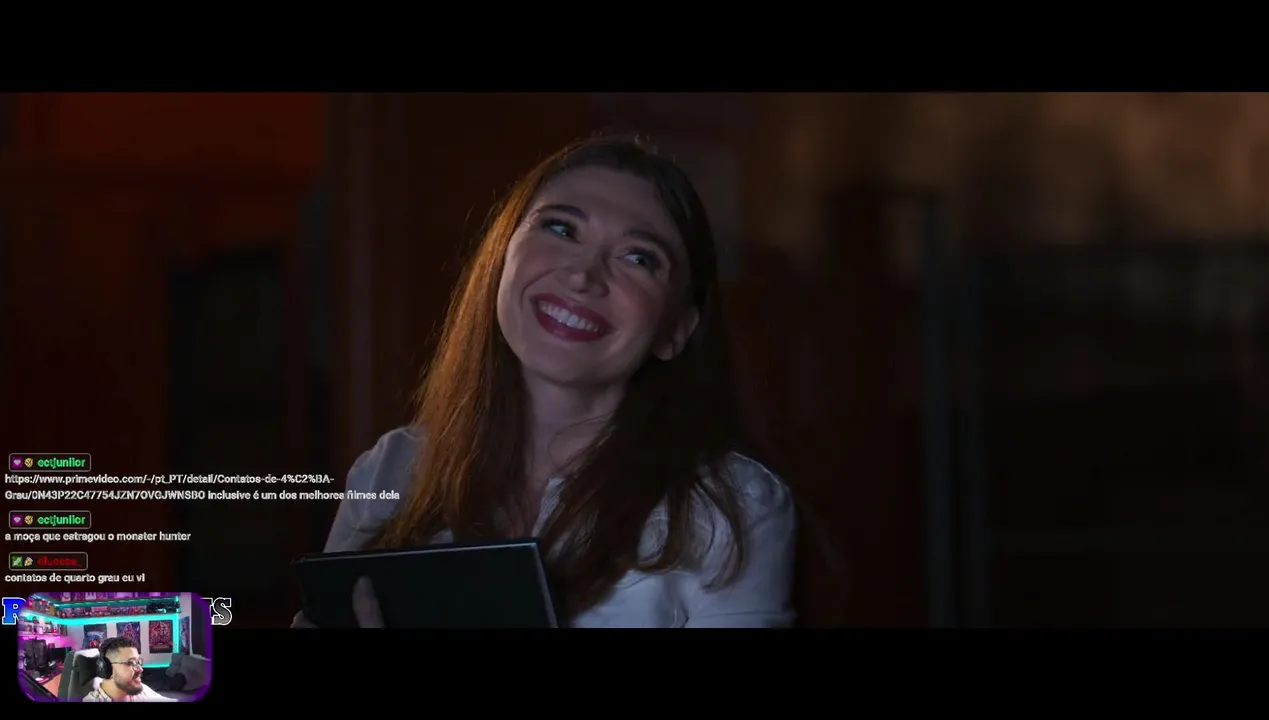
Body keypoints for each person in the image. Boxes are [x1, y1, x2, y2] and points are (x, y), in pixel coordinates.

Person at [294, 134, 797, 628]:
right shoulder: (388, 471)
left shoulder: (734, 510)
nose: (584, 275)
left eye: (639, 257)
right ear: (502, 257)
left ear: (676, 330)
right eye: (560, 228)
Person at [81, 636, 176, 702]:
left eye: (138, 662)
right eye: (131, 662)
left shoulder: (142, 690)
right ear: (108, 668)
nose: (140, 669)